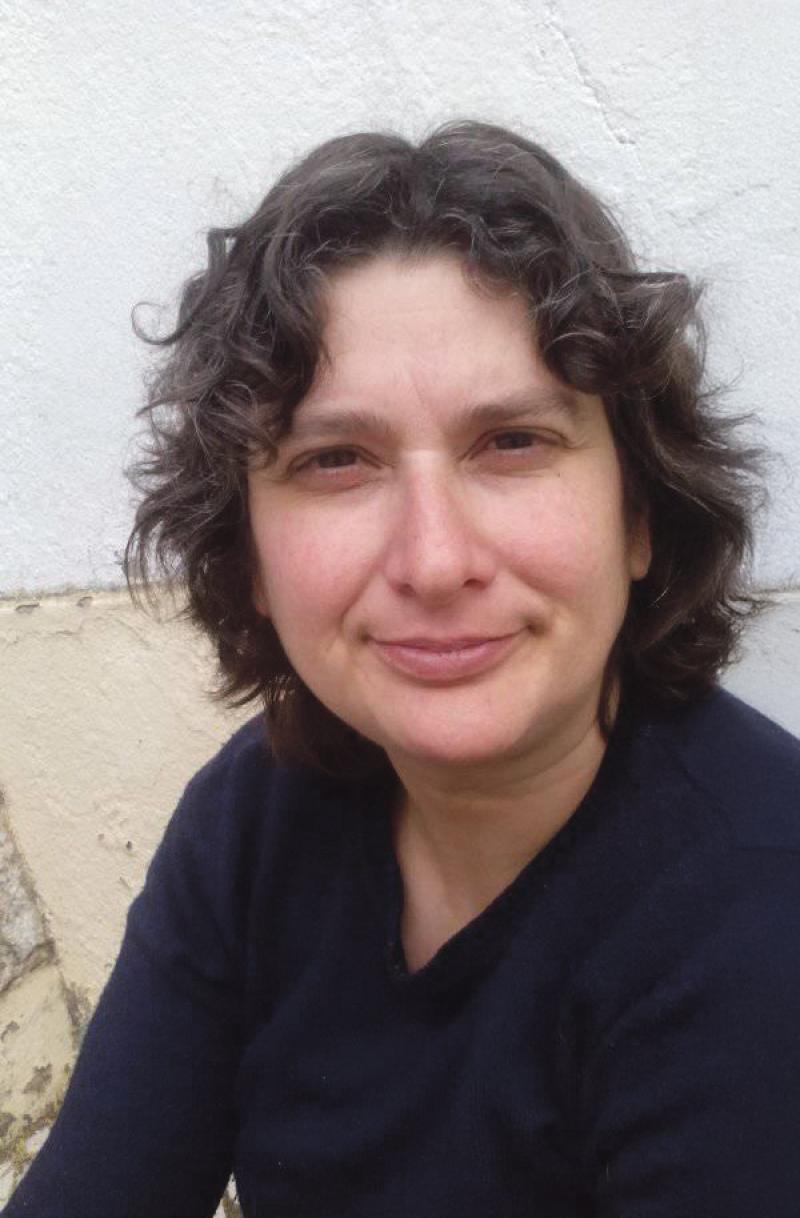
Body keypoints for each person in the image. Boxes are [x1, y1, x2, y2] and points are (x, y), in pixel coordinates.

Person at [5, 121, 800, 1217]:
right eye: (337, 460)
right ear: (250, 559)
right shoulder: (259, 816)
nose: (433, 560)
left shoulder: (762, 925)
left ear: (639, 516)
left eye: (511, 442)